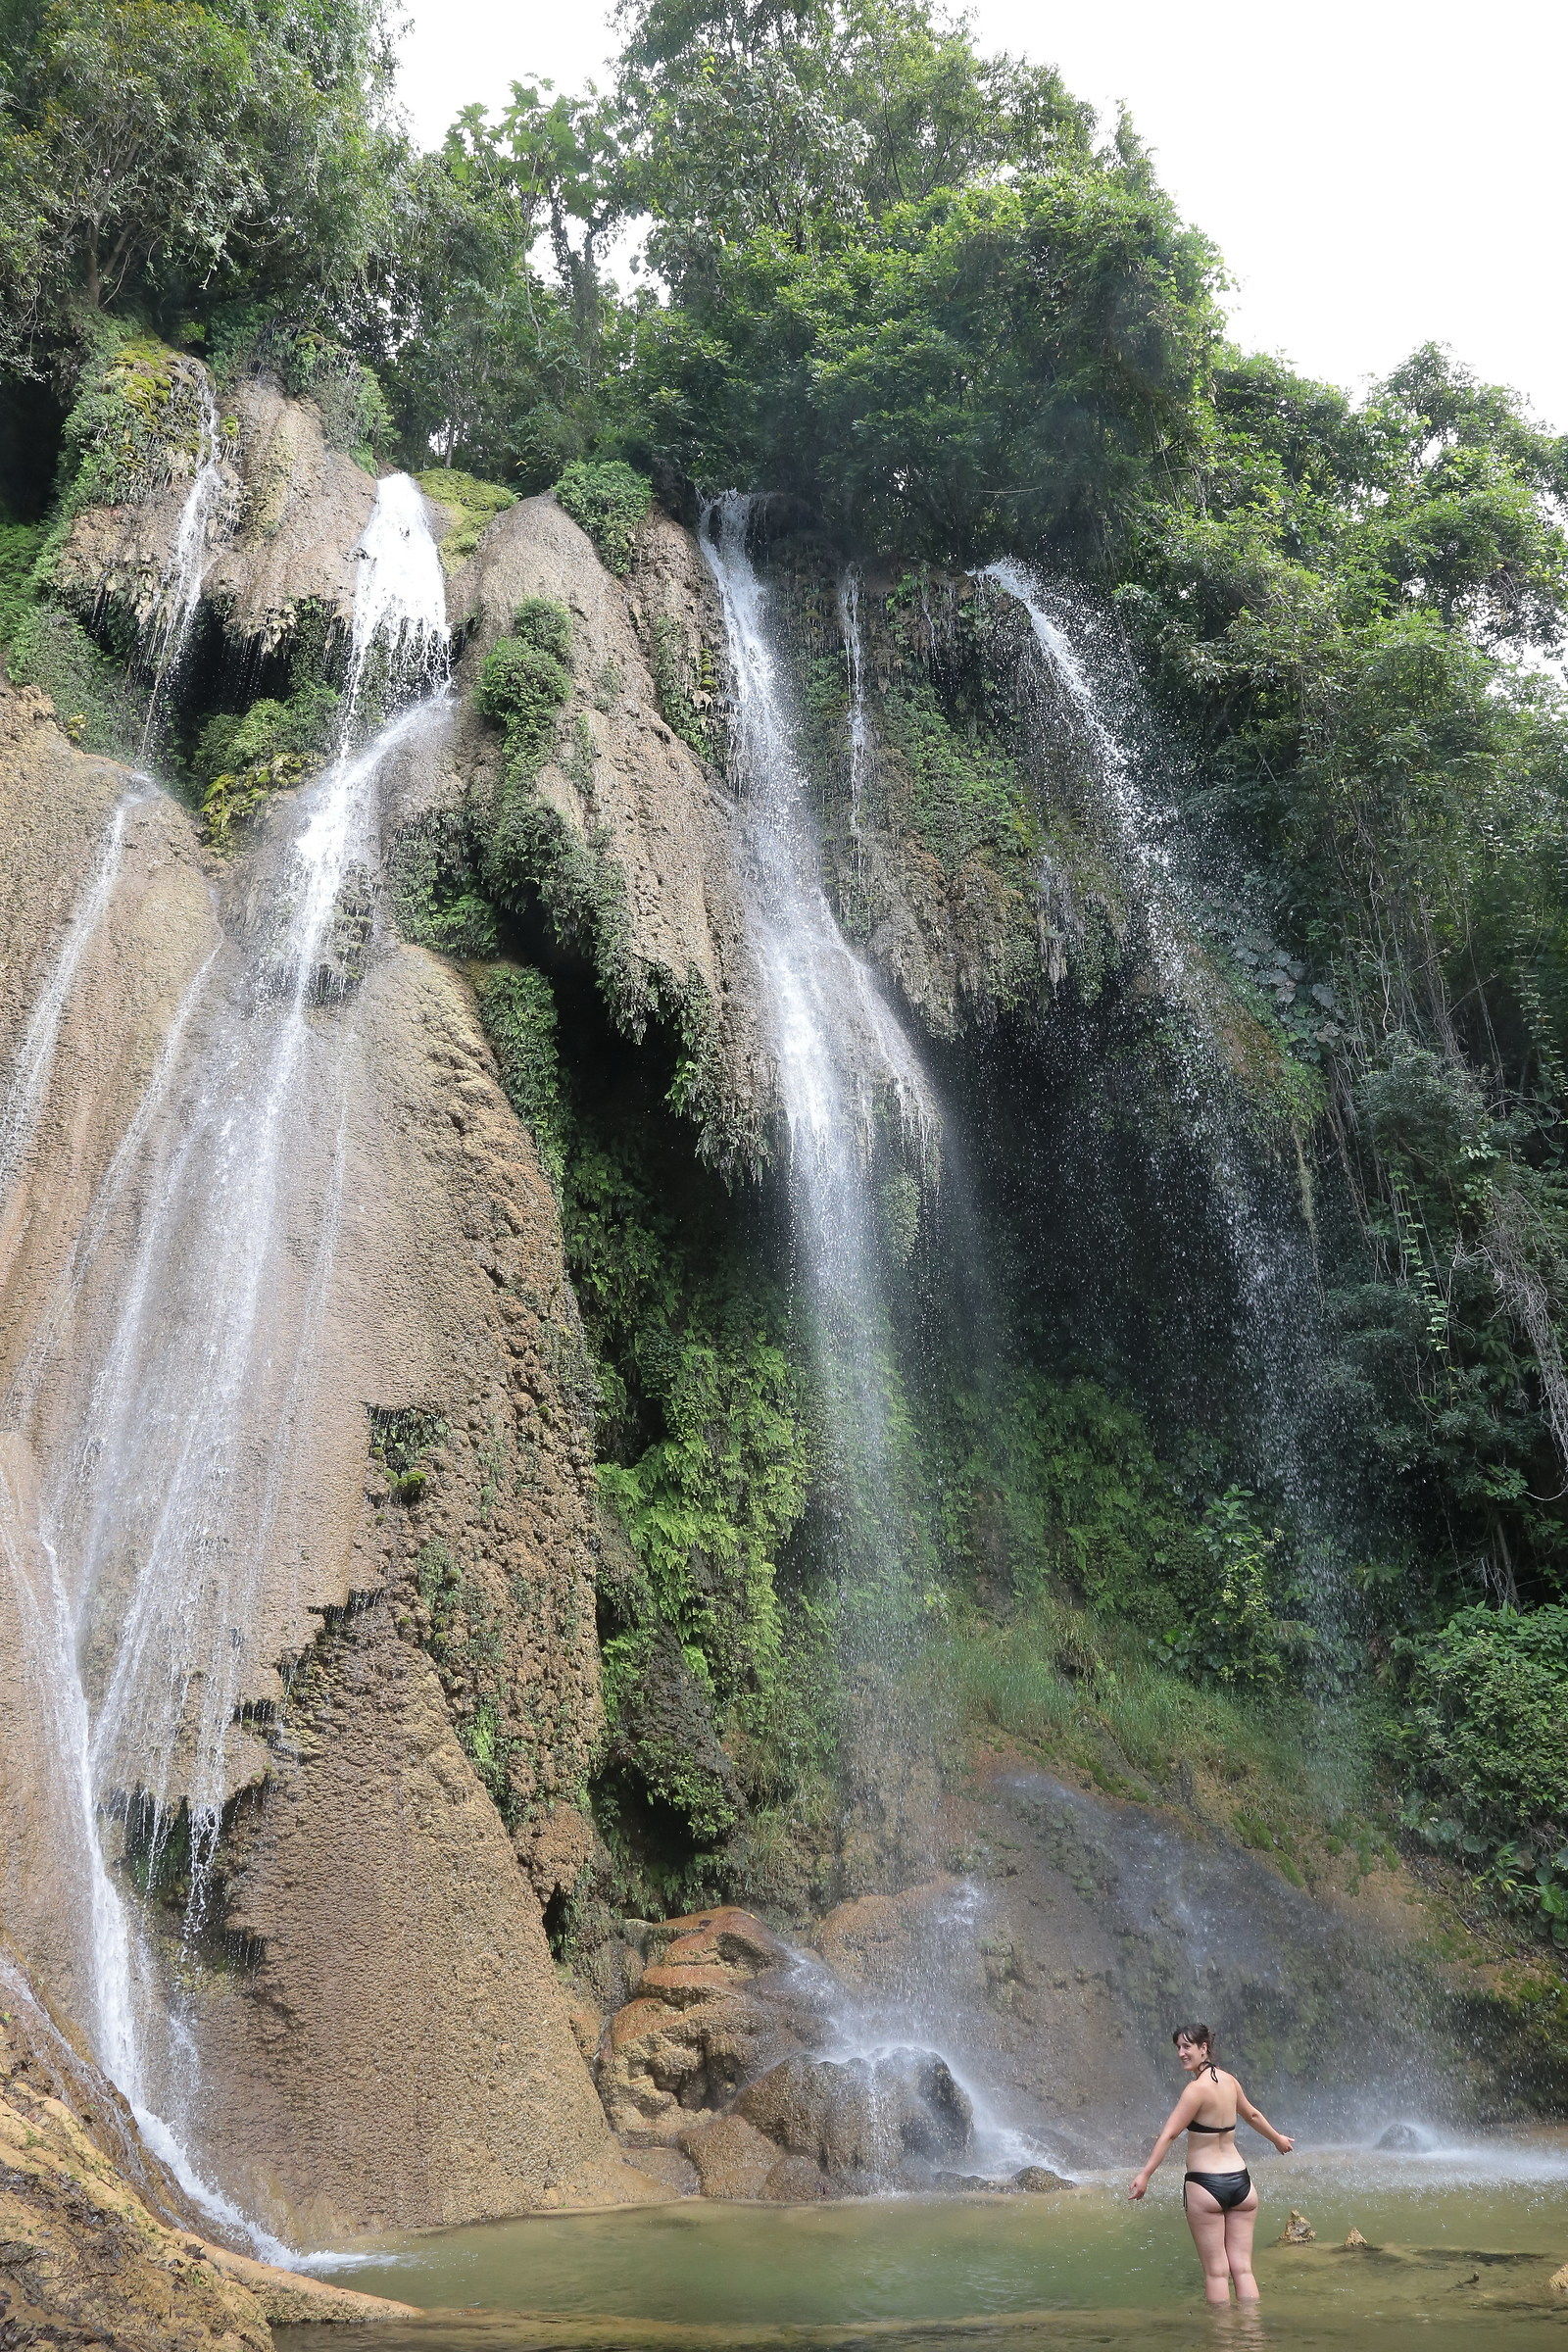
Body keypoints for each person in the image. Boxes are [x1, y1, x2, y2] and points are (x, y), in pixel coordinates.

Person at [1128, 2023, 1294, 2307]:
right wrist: (1277, 2138)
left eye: (1187, 2047)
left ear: (1204, 2048)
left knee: (1217, 2274)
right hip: (1242, 2185)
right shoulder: (1229, 2081)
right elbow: (1252, 2115)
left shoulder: (1195, 2091)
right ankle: (1252, 2336)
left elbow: (1169, 2134)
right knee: (1242, 2269)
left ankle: (1222, 2340)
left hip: (1206, 2186)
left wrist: (1145, 2175)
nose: (1181, 2053)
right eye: (1178, 2047)